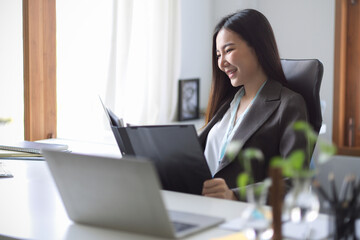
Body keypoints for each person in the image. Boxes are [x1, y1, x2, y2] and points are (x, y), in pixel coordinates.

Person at [199, 9, 308, 200]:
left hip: (245, 219)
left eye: (228, 50)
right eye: (218, 54)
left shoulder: (288, 104)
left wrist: (235, 196)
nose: (222, 62)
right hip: (202, 207)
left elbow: (294, 182)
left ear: (257, 48)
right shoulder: (228, 103)